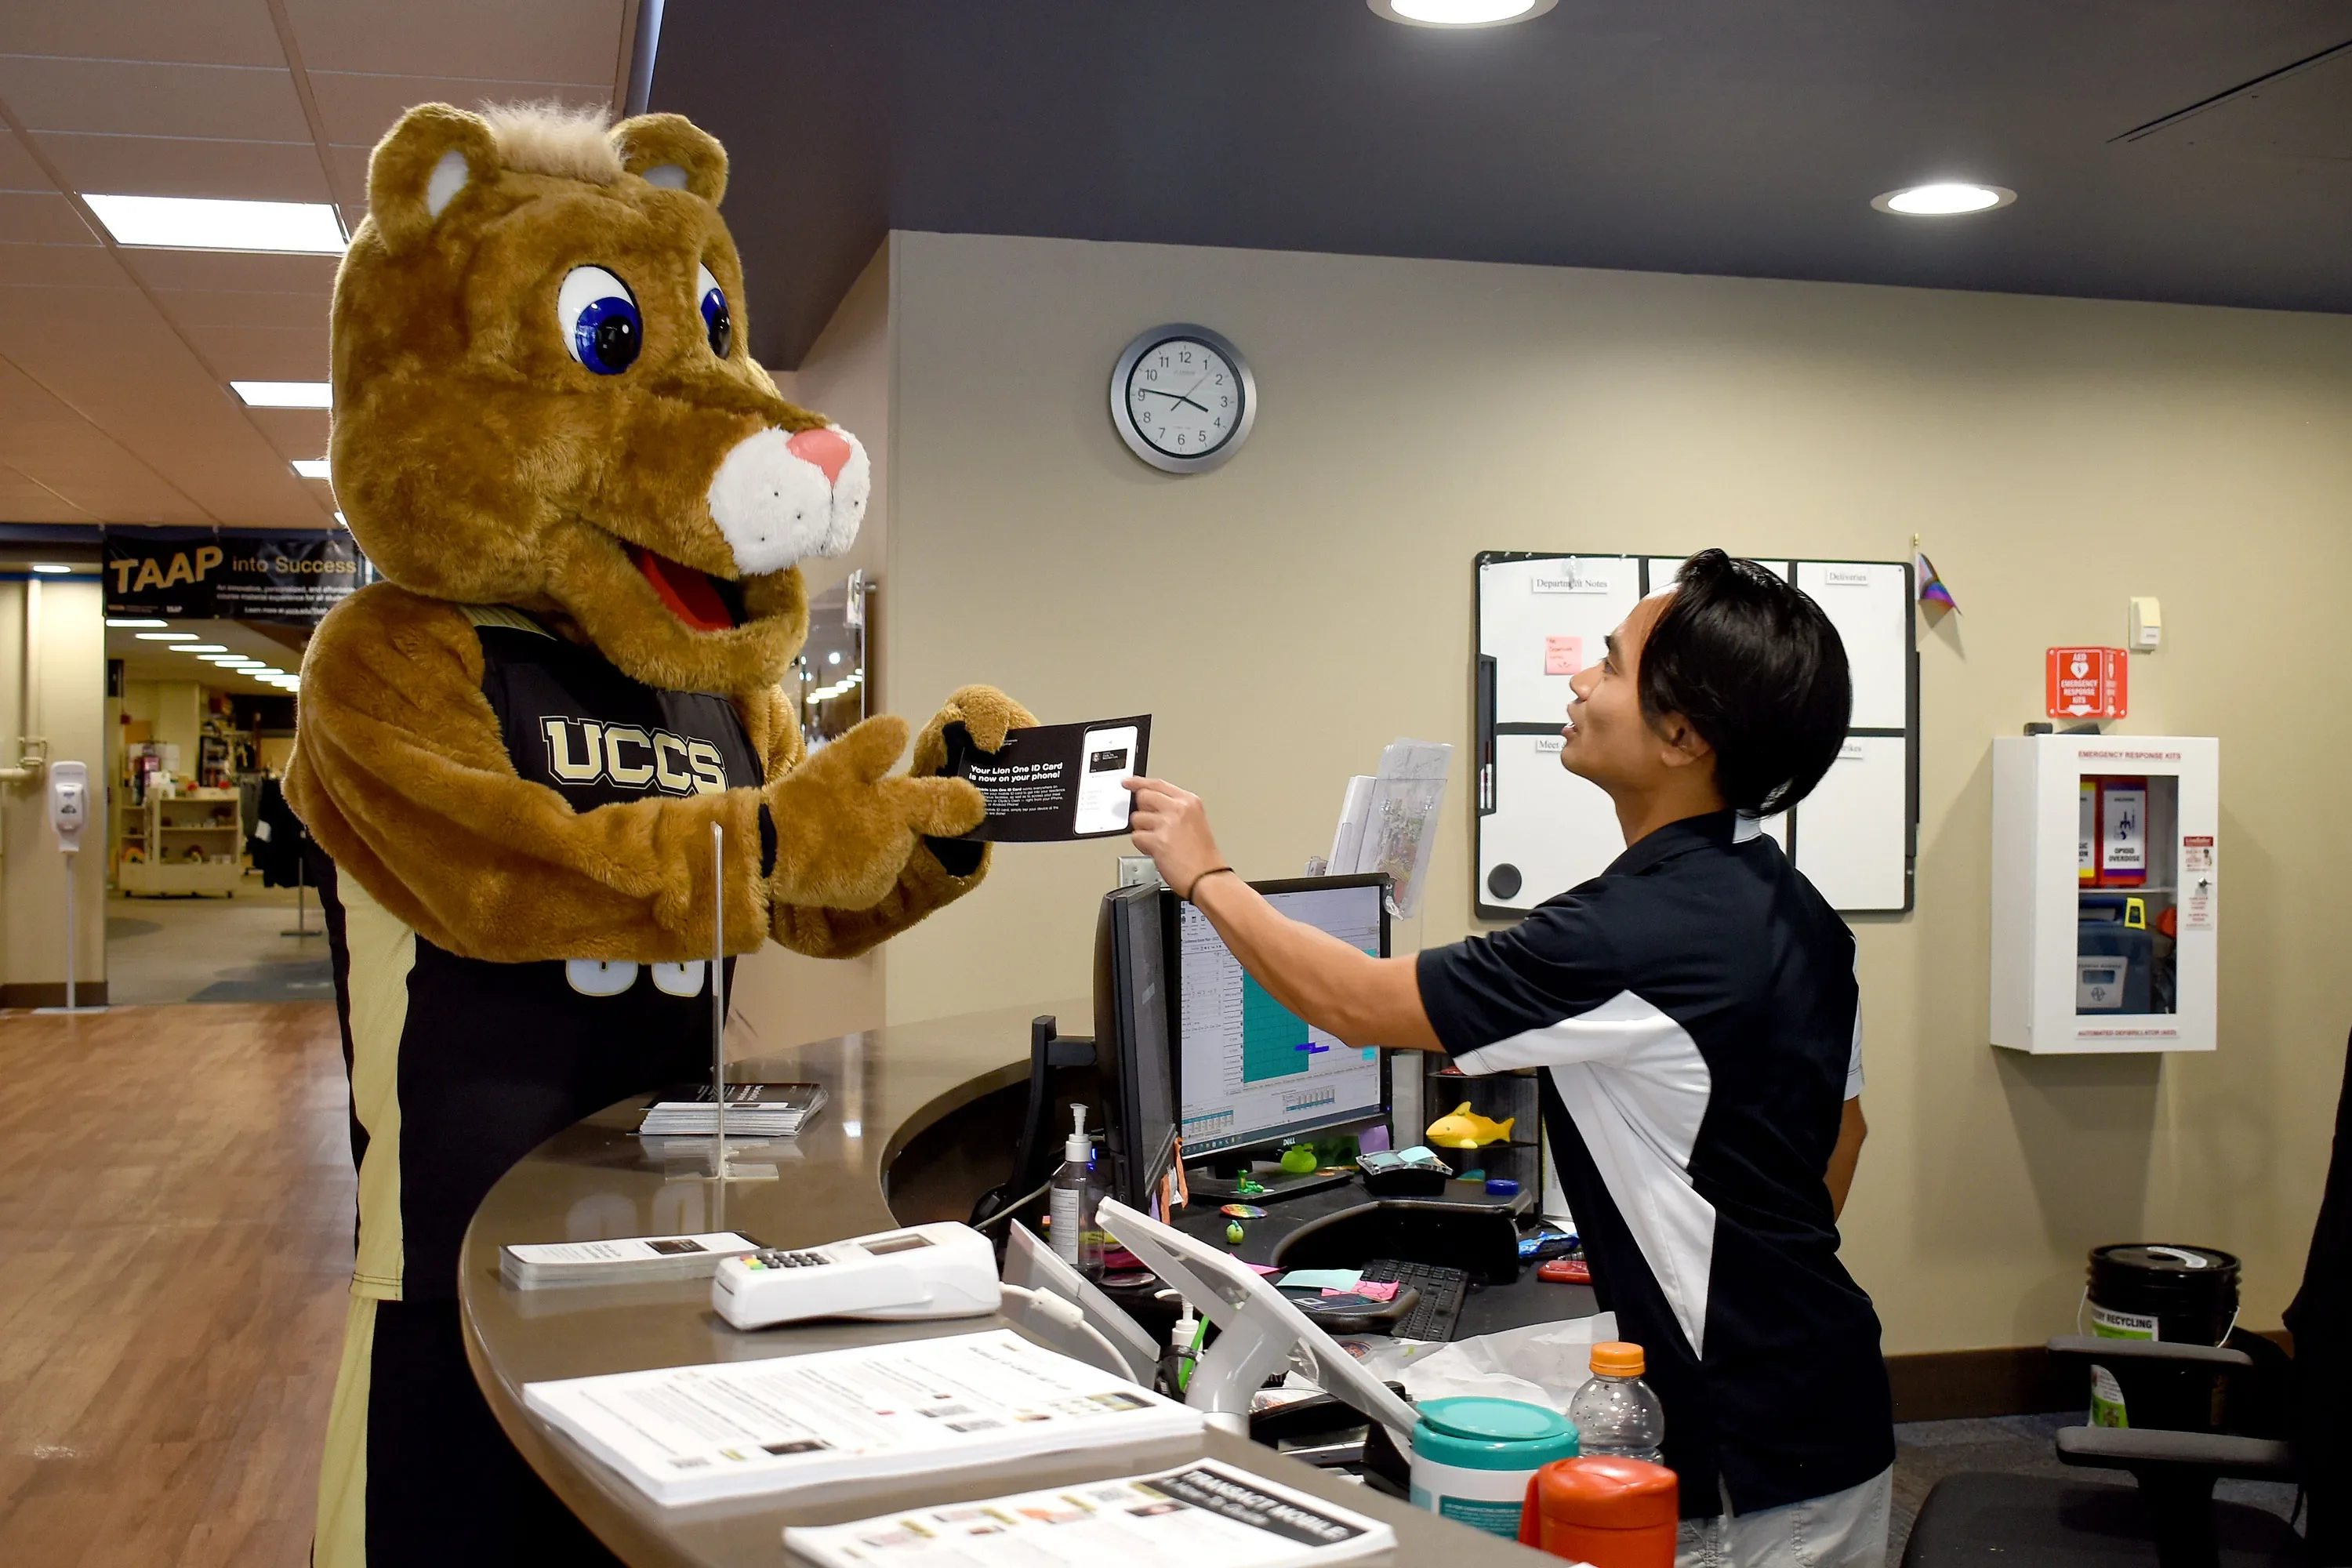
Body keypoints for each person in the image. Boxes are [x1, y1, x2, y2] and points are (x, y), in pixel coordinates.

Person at [1125, 550, 1891, 1568]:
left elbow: (1350, 1001)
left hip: (1751, 1463)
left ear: (1684, 734)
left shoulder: (1633, 933)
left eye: (1610, 668)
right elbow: (1844, 1136)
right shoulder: (1788, 908)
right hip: (1824, 1399)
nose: (1578, 682)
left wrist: (1204, 874)